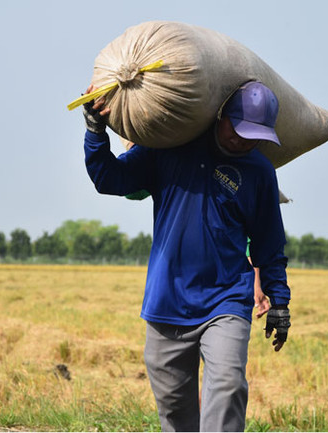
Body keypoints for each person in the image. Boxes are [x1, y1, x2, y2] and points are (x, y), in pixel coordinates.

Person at [81, 81, 291, 432]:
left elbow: (270, 244)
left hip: (227, 301)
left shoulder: (259, 172)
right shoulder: (168, 149)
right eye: (239, 130)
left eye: (255, 135)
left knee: (226, 387)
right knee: (176, 415)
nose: (245, 140)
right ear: (221, 115)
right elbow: (109, 178)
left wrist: (280, 301)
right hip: (167, 301)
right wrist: (95, 131)